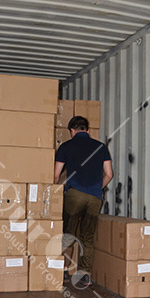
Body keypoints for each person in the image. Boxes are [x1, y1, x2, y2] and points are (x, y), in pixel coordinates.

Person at [54, 115, 113, 288]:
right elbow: (109, 174)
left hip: (74, 195)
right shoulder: (101, 147)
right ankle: (84, 274)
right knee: (87, 236)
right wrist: (97, 188)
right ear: (87, 130)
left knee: (68, 233)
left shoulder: (66, 147)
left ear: (72, 130)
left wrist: (55, 192)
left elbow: (56, 175)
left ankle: (64, 271)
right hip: (95, 197)